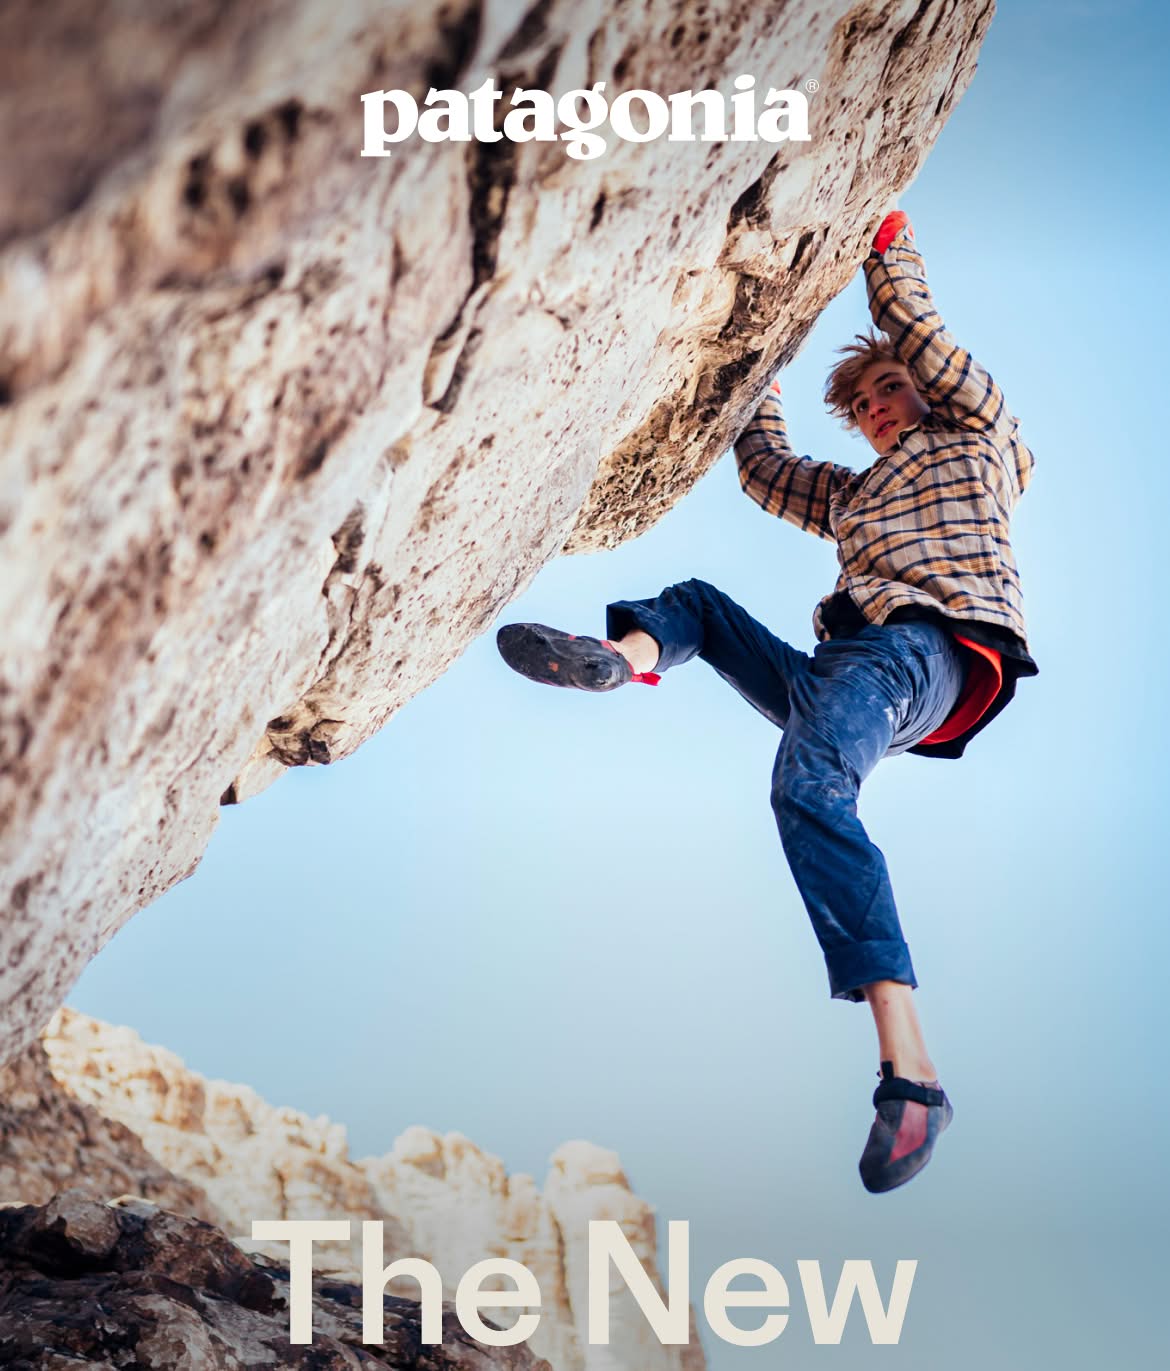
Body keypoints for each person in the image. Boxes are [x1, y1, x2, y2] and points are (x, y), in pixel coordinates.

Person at [496, 211, 1037, 1192]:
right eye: (864, 405)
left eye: (888, 390)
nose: (877, 409)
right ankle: (621, 657)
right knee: (701, 607)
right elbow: (767, 474)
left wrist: (889, 250)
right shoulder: (857, 495)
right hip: (848, 673)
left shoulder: (978, 436)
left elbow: (922, 337)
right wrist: (760, 387)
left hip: (925, 652)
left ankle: (912, 1072)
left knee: (810, 789)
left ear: (922, 391)